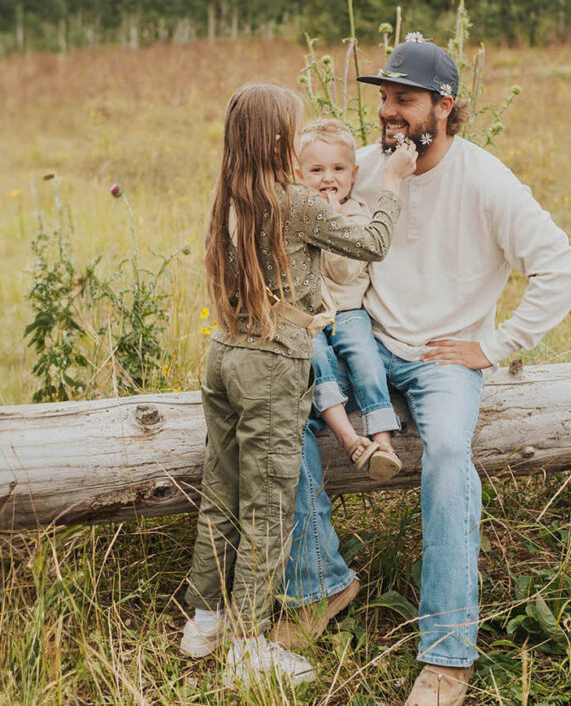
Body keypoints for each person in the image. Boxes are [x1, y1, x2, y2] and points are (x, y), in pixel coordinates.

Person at [274, 37, 571, 706]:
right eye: (383, 98)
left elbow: (562, 267)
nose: (387, 112)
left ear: (443, 106)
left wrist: (495, 344)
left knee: (446, 450)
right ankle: (321, 582)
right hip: (365, 339)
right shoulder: (362, 166)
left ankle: (448, 654)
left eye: (403, 100)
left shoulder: (485, 180)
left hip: (447, 358)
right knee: (277, 408)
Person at [178, 82, 417, 688]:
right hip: (270, 363)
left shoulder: (231, 196)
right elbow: (373, 243)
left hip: (225, 354)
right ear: (278, 140)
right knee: (269, 504)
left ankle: (205, 621)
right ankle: (248, 645)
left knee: (222, 487)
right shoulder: (294, 203)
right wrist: (388, 183)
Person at [298, 118, 405, 482]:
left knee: (367, 361)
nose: (328, 178)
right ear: (299, 174)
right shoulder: (299, 214)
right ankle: (348, 438)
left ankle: (383, 442)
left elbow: (343, 272)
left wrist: (333, 218)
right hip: (311, 316)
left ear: (354, 172)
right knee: (316, 360)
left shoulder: (357, 214)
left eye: (338, 169)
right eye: (316, 170)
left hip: (348, 312)